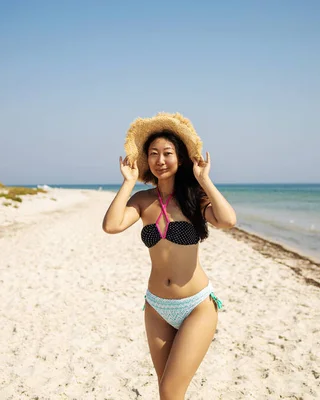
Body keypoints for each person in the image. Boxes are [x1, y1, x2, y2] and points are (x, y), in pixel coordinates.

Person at [102, 112, 236, 399]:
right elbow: (111, 225)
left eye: (167, 153)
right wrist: (128, 182)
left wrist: (204, 179)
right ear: (145, 160)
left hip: (197, 306)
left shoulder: (194, 198)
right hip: (156, 307)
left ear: (181, 158)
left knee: (170, 389)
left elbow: (227, 220)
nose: (160, 160)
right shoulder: (141, 200)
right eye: (153, 154)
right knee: (167, 393)